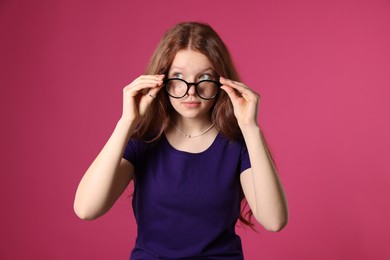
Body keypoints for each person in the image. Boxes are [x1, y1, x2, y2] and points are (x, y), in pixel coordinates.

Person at [74, 21, 288, 259]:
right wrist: (126, 123)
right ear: (161, 80)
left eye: (205, 77)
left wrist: (250, 128)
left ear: (221, 81)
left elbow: (274, 220)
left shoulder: (238, 144)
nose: (191, 91)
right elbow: (86, 209)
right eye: (178, 77)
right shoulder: (144, 140)